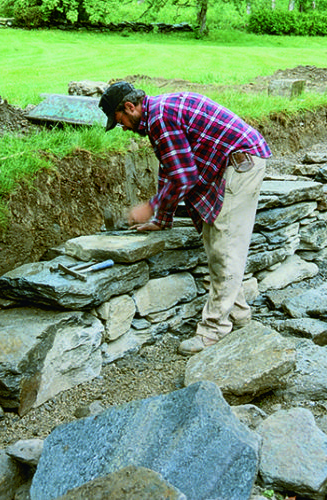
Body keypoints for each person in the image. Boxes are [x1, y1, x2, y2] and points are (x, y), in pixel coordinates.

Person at [98, 81, 271, 355]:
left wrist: (151, 206)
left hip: (240, 164)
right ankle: (240, 318)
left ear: (130, 107)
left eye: (120, 121)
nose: (123, 128)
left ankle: (213, 331)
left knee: (225, 250)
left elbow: (183, 177)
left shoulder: (161, 119)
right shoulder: (158, 116)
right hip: (225, 165)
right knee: (217, 249)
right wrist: (162, 218)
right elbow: (170, 168)